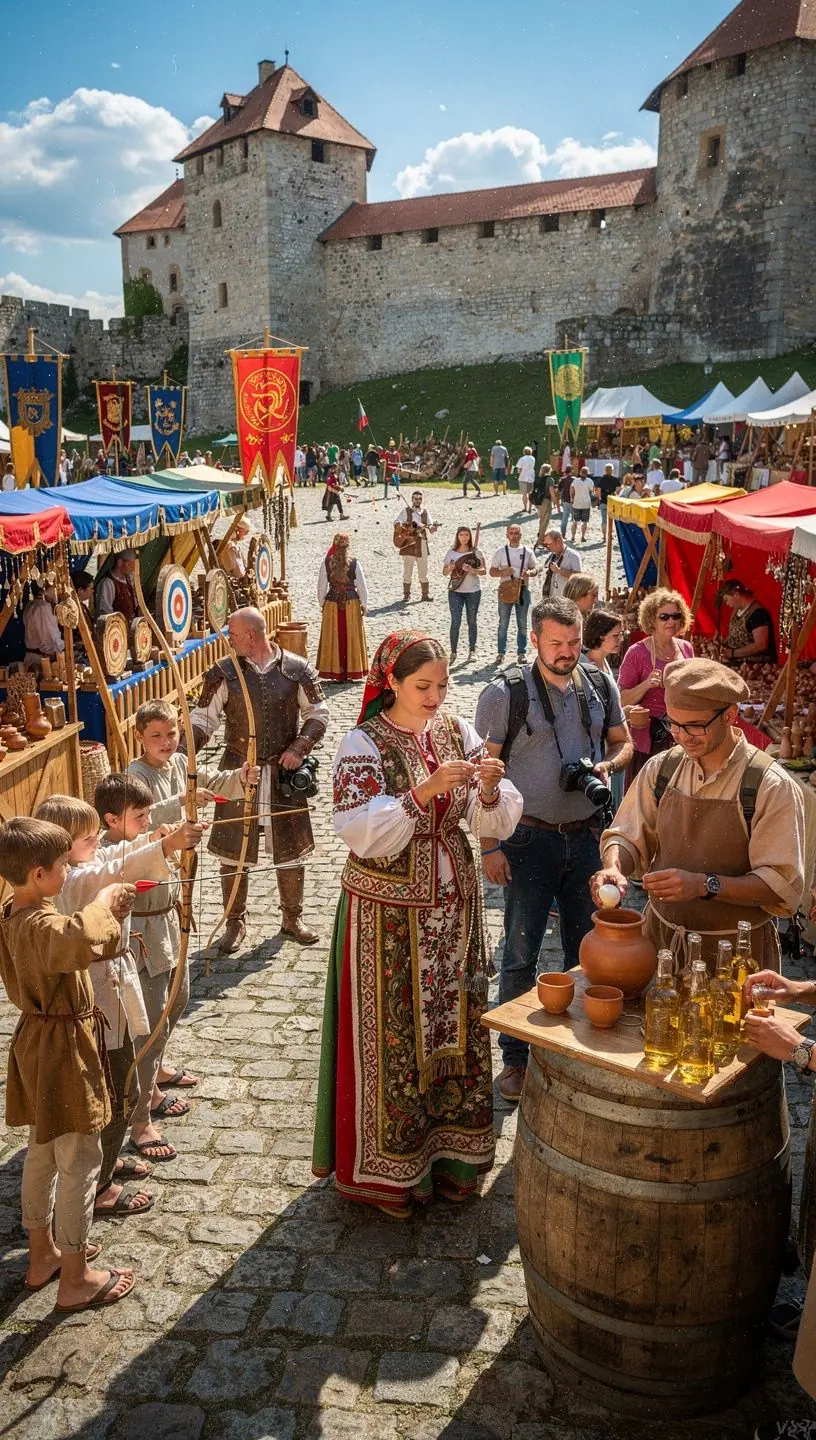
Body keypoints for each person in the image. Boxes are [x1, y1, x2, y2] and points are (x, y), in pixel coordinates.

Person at [312, 631, 523, 1217]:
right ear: (393, 684)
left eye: (442, 685)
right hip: (387, 916)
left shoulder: (456, 730)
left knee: (456, 1021)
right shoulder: (364, 742)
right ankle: (390, 1174)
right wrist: (422, 792)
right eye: (422, 686)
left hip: (453, 907)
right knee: (395, 1033)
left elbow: (499, 808)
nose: (435, 697)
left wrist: (486, 786)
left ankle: (454, 1160)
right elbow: (355, 827)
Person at [474, 596, 632, 1102]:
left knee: (587, 950)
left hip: (586, 836)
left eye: (572, 642)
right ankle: (516, 1060)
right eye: (555, 643)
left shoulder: (599, 682)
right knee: (519, 952)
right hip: (527, 838)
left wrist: (606, 767)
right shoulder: (505, 694)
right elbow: (485, 772)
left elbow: (623, 741)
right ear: (535, 639)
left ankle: (576, 1050)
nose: (565, 652)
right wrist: (489, 844)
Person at [0, 815, 136, 1310]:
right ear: (38, 874)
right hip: (59, 1049)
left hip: (37, 1043)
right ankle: (75, 1278)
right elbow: (75, 937)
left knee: (42, 1148)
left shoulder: (13, 911)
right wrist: (104, 903)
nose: (65, 872)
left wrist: (102, 912)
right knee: (79, 1160)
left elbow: (69, 938)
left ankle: (43, 1255)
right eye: (60, 866)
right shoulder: (42, 924)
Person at [594, 657, 804, 976]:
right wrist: (613, 867)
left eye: (695, 726)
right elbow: (626, 834)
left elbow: (781, 887)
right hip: (661, 948)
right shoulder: (661, 769)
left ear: (730, 716)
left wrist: (705, 885)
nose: (681, 736)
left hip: (735, 959)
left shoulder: (768, 785)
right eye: (674, 724)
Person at [35, 790, 190, 1199]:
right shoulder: (73, 880)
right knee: (119, 1093)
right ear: (63, 849)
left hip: (114, 991)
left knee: (123, 1085)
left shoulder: (91, 861)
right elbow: (111, 871)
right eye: (90, 839)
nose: (100, 842)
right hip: (99, 1000)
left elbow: (120, 852)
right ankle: (101, 1186)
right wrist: (166, 846)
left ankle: (107, 1160)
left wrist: (158, 838)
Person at [124, 707, 256, 1139]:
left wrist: (242, 778)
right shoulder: (134, 775)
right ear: (140, 736)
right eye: (157, 735)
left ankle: (157, 1070)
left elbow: (211, 784)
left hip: (172, 902)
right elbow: (136, 820)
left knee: (178, 999)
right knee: (152, 1013)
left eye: (173, 733)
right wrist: (180, 804)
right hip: (144, 913)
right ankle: (141, 1116)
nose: (167, 742)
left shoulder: (181, 763)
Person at [191, 607, 329, 952]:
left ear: (251, 635)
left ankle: (292, 917)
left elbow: (318, 714)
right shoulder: (225, 672)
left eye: (233, 634)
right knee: (233, 849)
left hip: (284, 773)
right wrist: (180, 753)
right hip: (239, 772)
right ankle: (234, 923)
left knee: (290, 848)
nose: (229, 639)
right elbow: (202, 721)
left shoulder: (297, 670)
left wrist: (300, 746)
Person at [618, 589, 694, 778]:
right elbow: (622, 699)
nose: (671, 621)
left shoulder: (685, 648)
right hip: (647, 737)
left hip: (679, 733)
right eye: (664, 617)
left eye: (676, 616)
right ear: (652, 620)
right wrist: (646, 685)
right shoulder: (637, 652)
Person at [316, 532, 369, 682]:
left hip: (332, 604)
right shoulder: (355, 563)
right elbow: (361, 585)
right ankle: (352, 671)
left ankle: (335, 672)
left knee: (333, 635)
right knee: (351, 635)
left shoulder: (326, 562)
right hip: (351, 603)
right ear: (347, 546)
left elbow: (321, 586)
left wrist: (322, 604)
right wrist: (364, 604)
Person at [489, 523, 539, 666]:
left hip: (523, 590)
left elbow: (535, 569)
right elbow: (492, 571)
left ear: (520, 535)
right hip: (506, 590)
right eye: (511, 533)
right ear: (507, 535)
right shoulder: (501, 552)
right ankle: (501, 653)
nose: (514, 535)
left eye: (516, 533)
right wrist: (504, 572)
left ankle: (521, 653)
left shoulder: (528, 552)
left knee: (522, 624)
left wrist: (529, 573)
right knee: (503, 623)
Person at [443, 524, 486, 665]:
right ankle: (453, 652)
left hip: (473, 591)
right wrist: (449, 568)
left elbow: (483, 570)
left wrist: (472, 570)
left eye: (466, 535)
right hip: (456, 591)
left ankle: (472, 651)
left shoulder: (476, 552)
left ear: (470, 536)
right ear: (457, 536)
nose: (464, 538)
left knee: (472, 621)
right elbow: (444, 572)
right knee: (455, 622)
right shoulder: (451, 552)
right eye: (461, 535)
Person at [718, 578, 777, 664]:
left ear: (736, 594)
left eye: (727, 599)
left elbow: (761, 644)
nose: (727, 603)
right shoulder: (737, 610)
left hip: (756, 666)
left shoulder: (758, 614)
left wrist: (733, 653)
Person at [395, 489, 438, 603]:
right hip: (409, 543)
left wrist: (434, 527)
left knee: (423, 570)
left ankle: (425, 595)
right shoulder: (406, 511)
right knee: (407, 570)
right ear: (412, 499)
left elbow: (431, 527)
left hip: (422, 542)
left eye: (419, 499)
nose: (417, 500)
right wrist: (402, 525)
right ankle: (406, 595)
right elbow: (397, 522)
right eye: (415, 498)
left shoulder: (425, 513)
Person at [23, 584, 65, 670]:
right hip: (42, 661)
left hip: (34, 657)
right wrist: (66, 647)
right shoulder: (43, 607)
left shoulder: (32, 604)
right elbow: (50, 639)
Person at [95, 550, 137, 621]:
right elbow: (105, 613)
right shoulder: (107, 583)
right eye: (130, 563)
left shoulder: (128, 580)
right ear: (120, 563)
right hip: (116, 629)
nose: (133, 567)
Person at [541, 529, 581, 598]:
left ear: (558, 541)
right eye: (545, 545)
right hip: (552, 599)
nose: (547, 547)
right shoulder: (552, 555)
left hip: (566, 601)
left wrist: (559, 571)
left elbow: (579, 579)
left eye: (548, 544)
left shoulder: (573, 556)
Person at [569, 467, 595, 544]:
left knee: (574, 521)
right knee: (585, 522)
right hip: (586, 504)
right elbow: (592, 491)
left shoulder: (575, 481)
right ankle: (582, 537)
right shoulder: (590, 481)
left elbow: (572, 489)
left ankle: (573, 537)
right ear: (587, 473)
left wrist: (571, 498)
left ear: (580, 472)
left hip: (577, 503)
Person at [221, 517, 251, 582]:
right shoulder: (230, 546)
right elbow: (236, 571)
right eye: (246, 532)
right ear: (238, 530)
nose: (246, 534)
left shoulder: (236, 546)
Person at [594, 462, 618, 537]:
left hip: (603, 501)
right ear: (612, 470)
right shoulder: (616, 480)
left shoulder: (601, 480)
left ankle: (604, 536)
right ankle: (610, 535)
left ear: (605, 470)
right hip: (612, 502)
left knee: (604, 520)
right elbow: (618, 492)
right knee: (612, 520)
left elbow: (598, 493)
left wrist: (599, 499)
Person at [531, 463, 553, 546]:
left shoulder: (538, 478)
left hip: (538, 501)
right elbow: (551, 492)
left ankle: (541, 536)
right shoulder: (549, 480)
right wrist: (555, 502)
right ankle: (540, 541)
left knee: (541, 520)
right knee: (545, 521)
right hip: (546, 501)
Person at [514, 446, 536, 513]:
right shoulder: (533, 458)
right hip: (531, 477)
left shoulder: (522, 459)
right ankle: (530, 508)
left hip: (523, 477)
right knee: (530, 493)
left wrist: (519, 472)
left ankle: (525, 507)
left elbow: (519, 469)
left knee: (524, 494)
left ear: (524, 452)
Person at [558, 468, 574, 537]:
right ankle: (573, 534)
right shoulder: (574, 479)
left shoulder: (562, 479)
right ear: (570, 471)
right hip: (573, 500)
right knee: (575, 518)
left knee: (565, 516)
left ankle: (563, 533)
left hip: (565, 499)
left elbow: (559, 489)